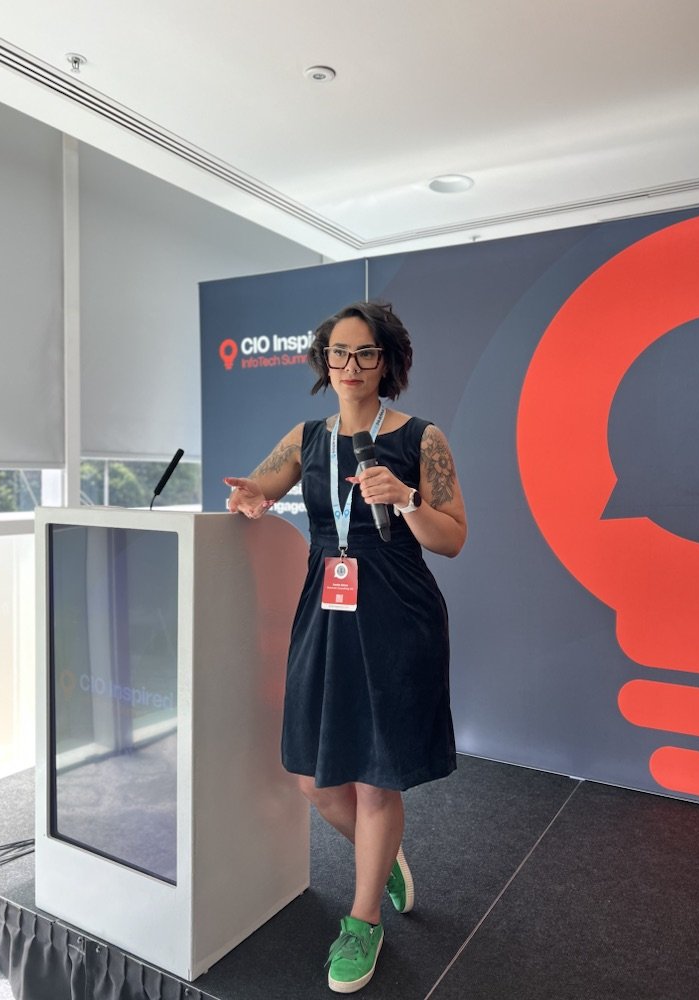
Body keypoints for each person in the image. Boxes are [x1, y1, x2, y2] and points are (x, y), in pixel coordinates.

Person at [225, 301, 466, 993]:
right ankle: (380, 857)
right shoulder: (307, 439)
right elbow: (261, 487)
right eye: (340, 354)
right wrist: (250, 499)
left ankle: (363, 923)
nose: (352, 367)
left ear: (385, 362)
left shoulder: (423, 438)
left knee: (375, 774)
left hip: (398, 614)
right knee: (314, 779)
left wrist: (412, 500)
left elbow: (453, 538)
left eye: (366, 354)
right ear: (324, 362)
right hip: (325, 612)